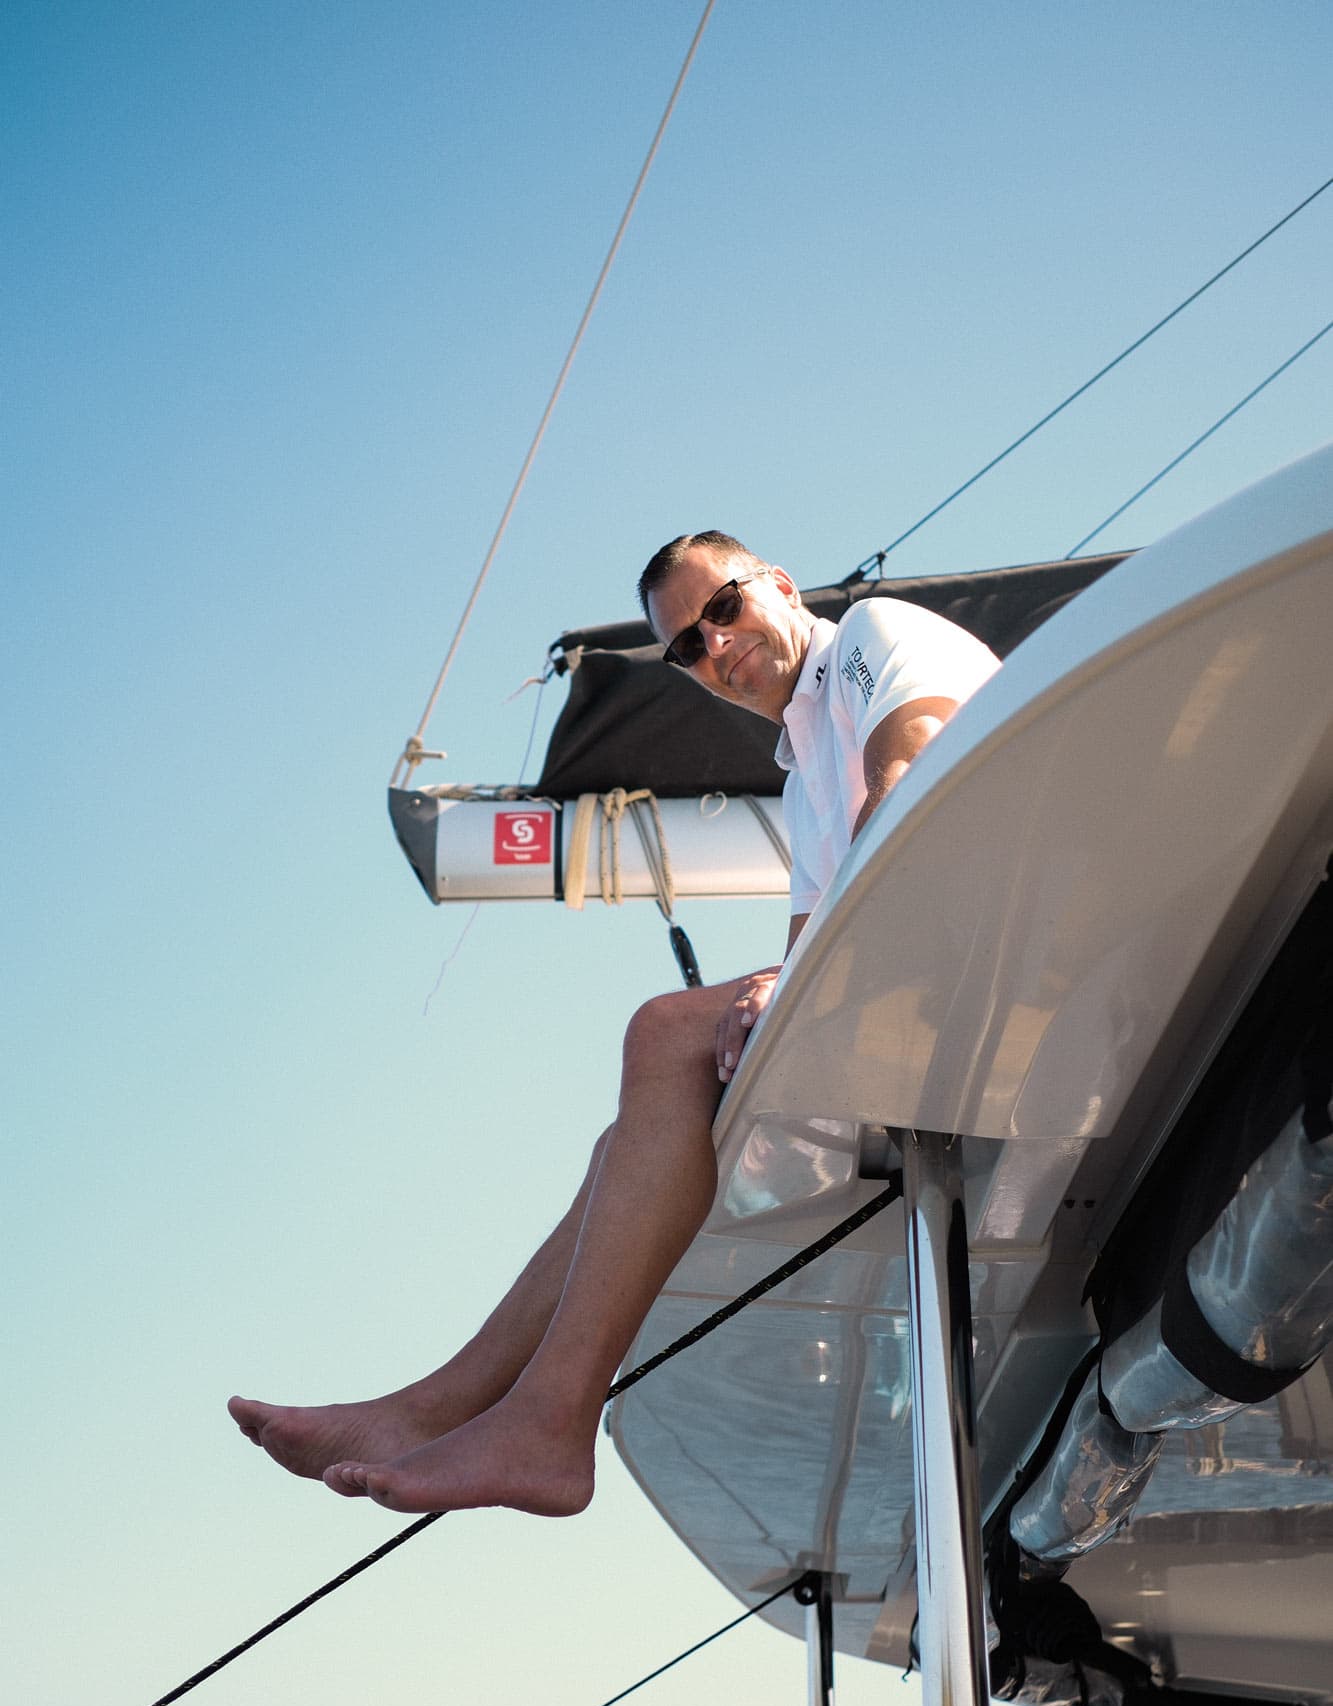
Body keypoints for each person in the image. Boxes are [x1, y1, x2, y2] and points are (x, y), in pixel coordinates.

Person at [228, 532, 1000, 1516]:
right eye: (687, 646)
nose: (716, 644)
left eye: (722, 608)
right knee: (634, 1132)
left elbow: (910, 781)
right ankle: (430, 1408)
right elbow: (806, 950)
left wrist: (783, 987)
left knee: (664, 1033)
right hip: (940, 971)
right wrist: (773, 993)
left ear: (776, 583)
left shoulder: (870, 640)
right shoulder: (804, 771)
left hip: (1000, 949)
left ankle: (548, 1423)